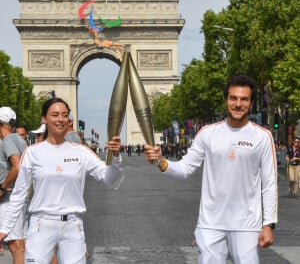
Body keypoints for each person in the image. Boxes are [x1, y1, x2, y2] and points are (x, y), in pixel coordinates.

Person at [144, 75, 278, 264]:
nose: (238, 104)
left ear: (251, 103)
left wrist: (268, 224)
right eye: (233, 98)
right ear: (225, 101)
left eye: (244, 99)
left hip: (246, 224)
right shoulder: (207, 133)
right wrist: (161, 161)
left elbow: (270, 183)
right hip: (210, 224)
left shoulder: (263, 137)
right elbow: (185, 168)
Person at [0, 97, 123, 263]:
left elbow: (110, 178)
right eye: (55, 115)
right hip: (40, 225)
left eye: (64, 115)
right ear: (44, 118)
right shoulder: (32, 152)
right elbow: (19, 194)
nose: (60, 119)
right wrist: (4, 229)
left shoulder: (81, 151)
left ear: (69, 120)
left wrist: (115, 157)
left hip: (73, 225)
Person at [0, 107, 28, 264]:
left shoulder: (9, 140)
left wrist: (2, 187)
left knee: (15, 246)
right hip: (19, 197)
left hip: (10, 199)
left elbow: (16, 167)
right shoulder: (20, 139)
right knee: (21, 244)